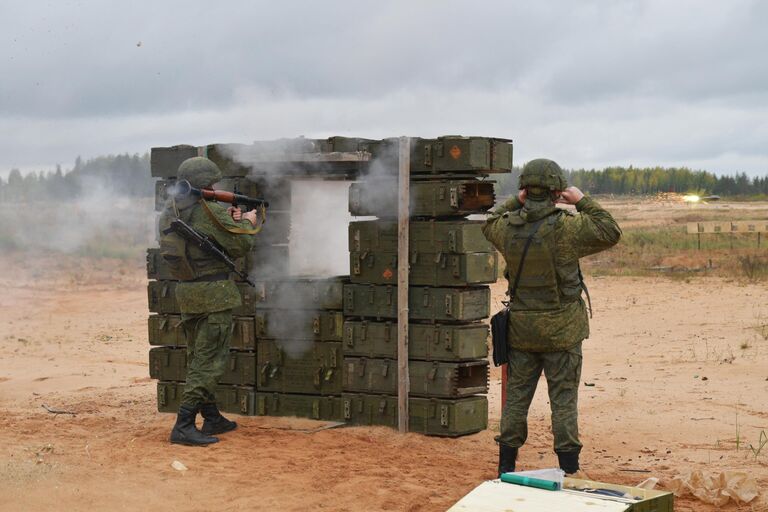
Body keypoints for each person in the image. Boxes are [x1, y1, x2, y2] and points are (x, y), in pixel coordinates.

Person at [482, 158, 621, 475]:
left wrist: (512, 202)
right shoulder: (567, 228)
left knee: (516, 399)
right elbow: (610, 231)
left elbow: (488, 222)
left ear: (524, 190)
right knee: (563, 400)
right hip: (563, 330)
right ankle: (568, 470)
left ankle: (506, 466)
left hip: (523, 331)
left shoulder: (508, 229)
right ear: (557, 191)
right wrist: (582, 200)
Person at [158, 156, 260, 446]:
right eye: (212, 183)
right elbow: (241, 244)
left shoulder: (171, 211)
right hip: (213, 296)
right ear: (206, 183)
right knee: (209, 362)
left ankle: (211, 416)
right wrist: (248, 222)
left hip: (188, 294)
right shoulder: (208, 211)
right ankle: (184, 424)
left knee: (199, 356)